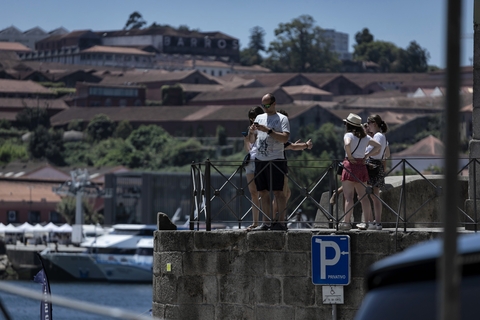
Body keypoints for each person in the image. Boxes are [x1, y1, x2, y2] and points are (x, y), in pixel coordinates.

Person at [248, 93, 290, 231]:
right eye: (263, 105)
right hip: (260, 160)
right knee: (262, 192)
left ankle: (282, 222)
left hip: (276, 159)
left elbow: (284, 139)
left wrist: (268, 131)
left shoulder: (282, 119)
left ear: (274, 104)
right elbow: (252, 140)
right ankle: (266, 223)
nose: (265, 108)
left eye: (267, 105)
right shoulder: (259, 118)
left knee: (279, 192)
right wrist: (251, 132)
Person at [338, 113, 381, 231]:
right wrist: (367, 155)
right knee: (363, 197)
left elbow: (347, 144)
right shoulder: (366, 137)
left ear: (349, 125)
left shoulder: (348, 135)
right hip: (361, 166)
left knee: (349, 197)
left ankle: (346, 223)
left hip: (350, 166)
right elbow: (378, 146)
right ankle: (367, 223)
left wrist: (350, 156)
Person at [362, 114, 389, 231]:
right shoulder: (381, 136)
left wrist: (366, 155)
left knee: (372, 195)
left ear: (374, 124)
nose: (368, 126)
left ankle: (374, 222)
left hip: (372, 164)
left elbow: (376, 149)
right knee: (374, 195)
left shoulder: (378, 136)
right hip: (377, 165)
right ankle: (375, 222)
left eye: (369, 124)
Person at [243, 106, 265, 231]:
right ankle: (255, 222)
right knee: (253, 193)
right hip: (251, 161)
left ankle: (265, 221)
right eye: (251, 119)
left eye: (254, 118)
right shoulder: (250, 129)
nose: (253, 122)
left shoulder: (266, 128)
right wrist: (248, 136)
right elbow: (248, 148)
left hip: (262, 161)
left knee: (263, 192)